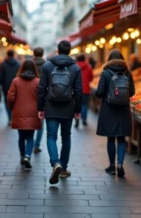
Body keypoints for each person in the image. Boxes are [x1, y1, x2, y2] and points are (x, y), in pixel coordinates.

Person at [37, 40, 82, 184]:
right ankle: (63, 168)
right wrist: (78, 110)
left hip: (51, 106)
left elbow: (42, 88)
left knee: (51, 136)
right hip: (67, 107)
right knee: (66, 137)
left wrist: (40, 107)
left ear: (57, 50)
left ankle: (55, 162)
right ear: (70, 51)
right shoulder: (75, 68)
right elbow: (79, 91)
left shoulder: (47, 66)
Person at [95, 50, 135, 178]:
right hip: (123, 109)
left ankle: (112, 166)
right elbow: (132, 92)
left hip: (109, 110)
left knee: (111, 138)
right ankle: (120, 165)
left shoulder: (106, 73)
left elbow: (99, 92)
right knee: (122, 138)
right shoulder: (127, 72)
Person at [7, 60, 41, 170]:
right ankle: (27, 156)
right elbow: (41, 97)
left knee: (21, 136)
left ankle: (22, 156)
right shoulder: (37, 81)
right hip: (33, 111)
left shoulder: (16, 81)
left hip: (19, 111)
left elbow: (10, 97)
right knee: (30, 136)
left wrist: (11, 108)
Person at [0, 49, 21, 125]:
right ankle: (13, 117)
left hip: (6, 87)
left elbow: (0, 77)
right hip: (16, 87)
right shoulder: (18, 64)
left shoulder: (3, 64)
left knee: (7, 103)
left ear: (7, 54)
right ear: (13, 55)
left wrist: (2, 84)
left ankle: (10, 117)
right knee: (15, 102)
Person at [32, 47, 46, 153]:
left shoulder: (29, 64)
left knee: (30, 121)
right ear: (42, 54)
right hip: (43, 96)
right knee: (40, 122)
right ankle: (37, 144)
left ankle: (31, 143)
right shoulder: (47, 65)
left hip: (30, 96)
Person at [75, 54, 93, 127]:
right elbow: (91, 78)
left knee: (76, 105)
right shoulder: (89, 67)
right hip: (86, 89)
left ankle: (77, 119)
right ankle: (84, 119)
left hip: (76, 89)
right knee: (85, 105)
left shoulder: (74, 67)